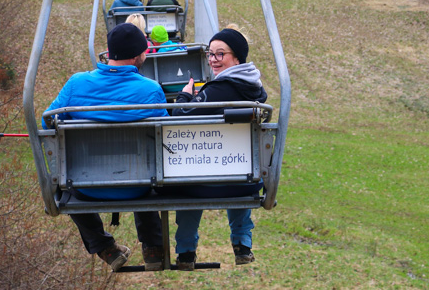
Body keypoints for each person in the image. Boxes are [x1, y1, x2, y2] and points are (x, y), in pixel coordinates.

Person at [42, 23, 169, 272]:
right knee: (150, 167)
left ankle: (104, 247)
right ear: (137, 56)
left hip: (86, 187)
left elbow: (47, 122)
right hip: (139, 186)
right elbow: (165, 133)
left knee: (67, 186)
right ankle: (153, 247)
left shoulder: (76, 84)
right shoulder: (151, 90)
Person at [170, 24, 267, 270]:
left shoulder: (219, 90)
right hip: (245, 181)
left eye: (220, 54)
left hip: (205, 182)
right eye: (210, 54)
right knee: (240, 167)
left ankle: (186, 251)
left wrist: (185, 96)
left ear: (237, 57)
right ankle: (242, 244)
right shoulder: (255, 88)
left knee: (188, 176)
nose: (213, 60)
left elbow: (180, 116)